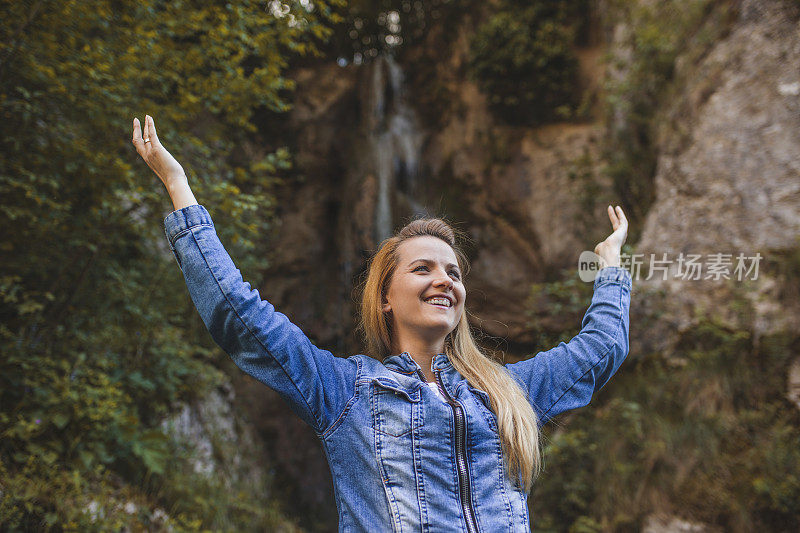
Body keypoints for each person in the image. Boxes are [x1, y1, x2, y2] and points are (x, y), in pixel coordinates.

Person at [132, 114, 632, 531]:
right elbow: (241, 317)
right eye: (423, 269)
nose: (444, 280)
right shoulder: (346, 391)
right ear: (386, 298)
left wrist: (611, 269)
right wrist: (180, 190)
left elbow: (602, 347)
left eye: (453, 272)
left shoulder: (509, 392)